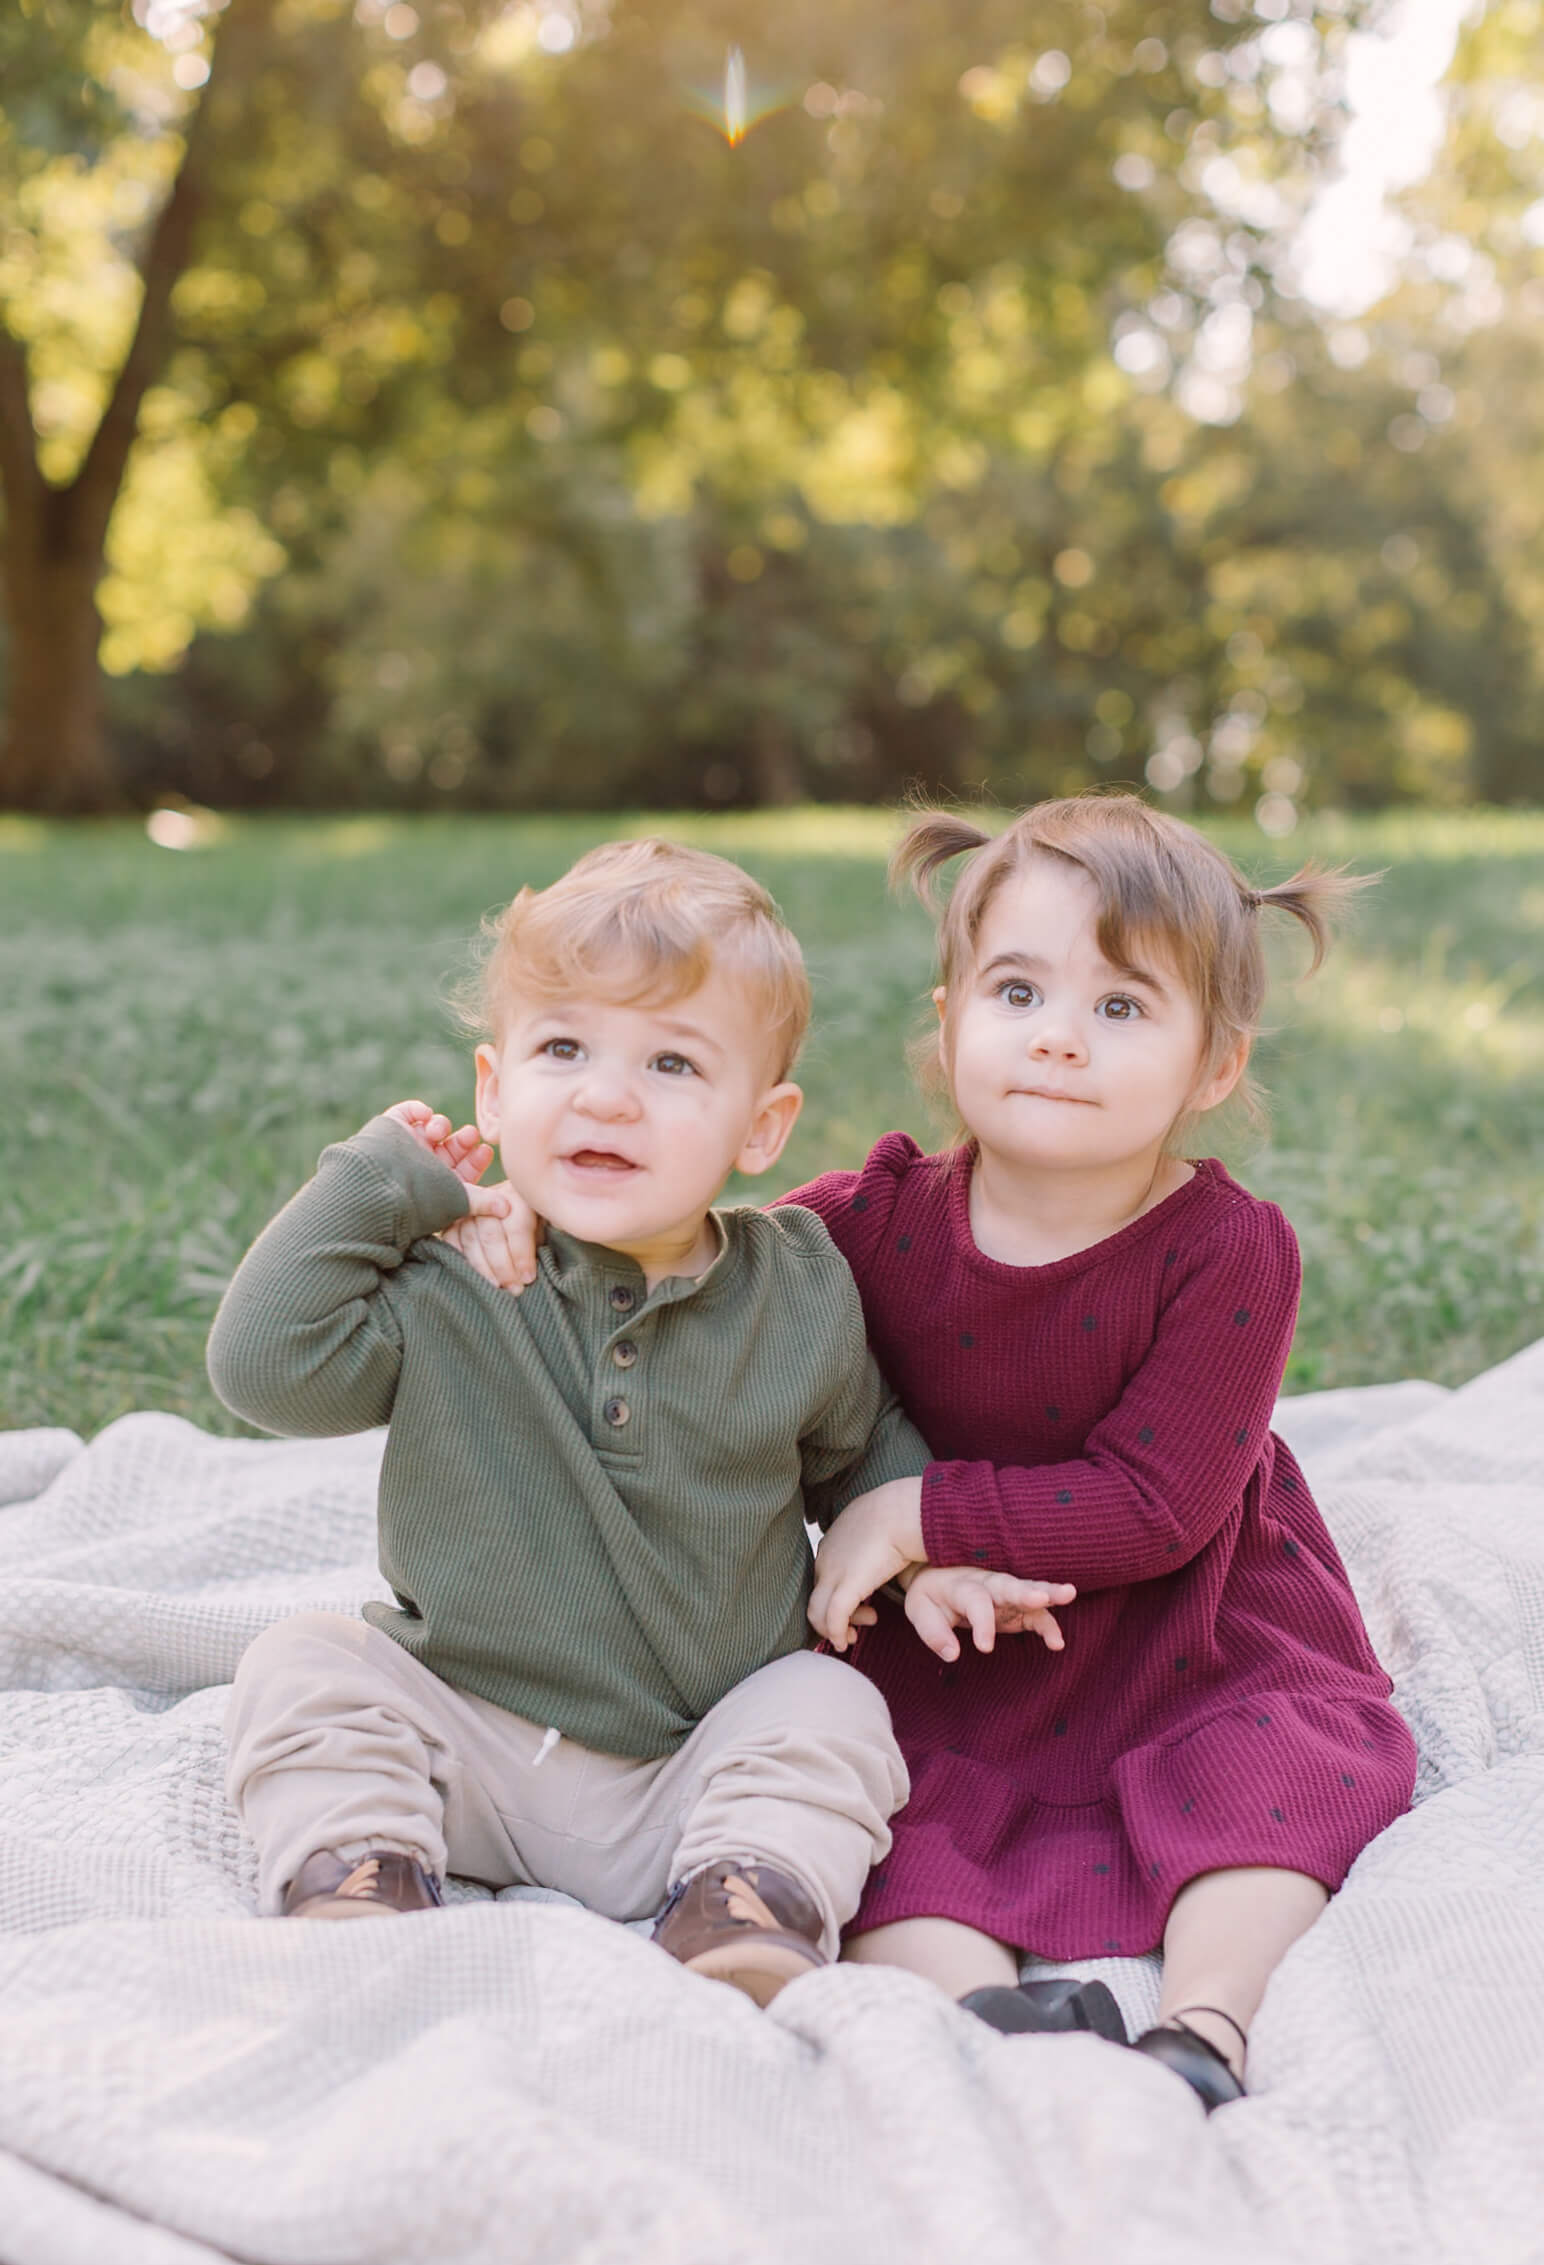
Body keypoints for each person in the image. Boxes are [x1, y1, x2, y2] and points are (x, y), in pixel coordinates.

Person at [210, 839, 1069, 2008]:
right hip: (461, 1733)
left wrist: (923, 1556)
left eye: (671, 1061)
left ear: (758, 1129)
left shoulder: (798, 1285)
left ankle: (744, 1899)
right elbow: (262, 1369)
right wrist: (385, 1181)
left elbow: (863, 1443)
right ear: (494, 1087)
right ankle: (359, 1870)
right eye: (562, 1047)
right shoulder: (452, 1281)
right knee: (302, 1662)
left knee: (830, 1708)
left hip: (693, 1766)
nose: (606, 1093)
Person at [786, 793, 1418, 2106]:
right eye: (1018, 988)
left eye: (1123, 1007)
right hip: (960, 1649)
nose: (1061, 1036)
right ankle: (994, 2022)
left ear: (1216, 1064)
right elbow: (706, 1290)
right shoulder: (864, 1222)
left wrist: (912, 1516)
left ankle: (1206, 2022)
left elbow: (1157, 1501)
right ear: (950, 1012)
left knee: (1281, 1767)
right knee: (888, 1816)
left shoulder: (1228, 1248)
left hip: (1187, 1625)